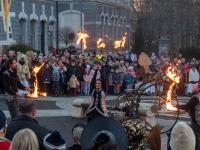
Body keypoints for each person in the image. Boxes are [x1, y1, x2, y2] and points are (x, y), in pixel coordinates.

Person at [177, 82, 200, 149]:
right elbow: (193, 107)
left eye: (195, 86)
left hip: (196, 121)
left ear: (199, 89)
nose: (192, 87)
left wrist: (176, 106)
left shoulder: (195, 98)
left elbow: (187, 106)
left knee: (196, 138)